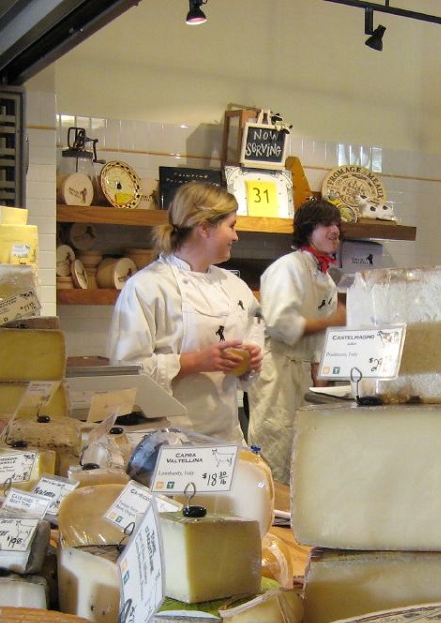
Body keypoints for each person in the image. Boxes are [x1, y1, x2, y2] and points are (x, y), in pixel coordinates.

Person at [107, 182, 262, 443]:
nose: (236, 237)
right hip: (167, 440)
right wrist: (194, 362)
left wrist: (252, 360)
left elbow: (255, 337)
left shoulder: (236, 287)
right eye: (231, 226)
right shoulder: (147, 286)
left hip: (226, 437)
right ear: (204, 227)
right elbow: (125, 371)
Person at [248, 198, 346, 483]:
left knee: (303, 456)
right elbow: (280, 323)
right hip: (276, 372)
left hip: (304, 375)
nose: (335, 231)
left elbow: (320, 344)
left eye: (337, 224)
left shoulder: (326, 280)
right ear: (307, 229)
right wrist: (332, 322)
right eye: (327, 224)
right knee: (274, 448)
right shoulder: (288, 267)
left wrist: (321, 388)